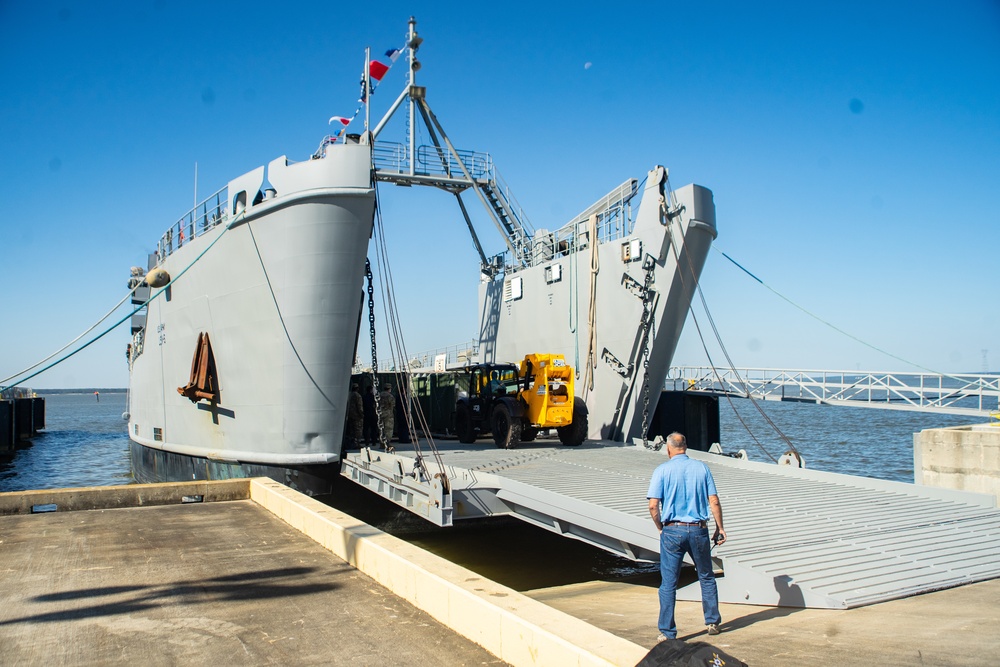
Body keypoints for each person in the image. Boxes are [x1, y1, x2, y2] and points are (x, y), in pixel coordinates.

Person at [647, 432, 727, 641]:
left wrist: (660, 527)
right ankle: (712, 622)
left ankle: (667, 631)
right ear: (686, 447)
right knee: (706, 576)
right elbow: (714, 500)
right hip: (698, 529)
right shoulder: (702, 468)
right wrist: (720, 528)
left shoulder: (662, 470)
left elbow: (653, 505)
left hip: (672, 530)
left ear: (669, 449)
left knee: (668, 582)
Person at [346, 383, 364, 449]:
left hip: (350, 415)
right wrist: (361, 414)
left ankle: (352, 443)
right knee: (358, 430)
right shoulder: (357, 395)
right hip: (357, 416)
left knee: (351, 430)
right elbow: (359, 406)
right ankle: (357, 444)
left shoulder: (349, 394)